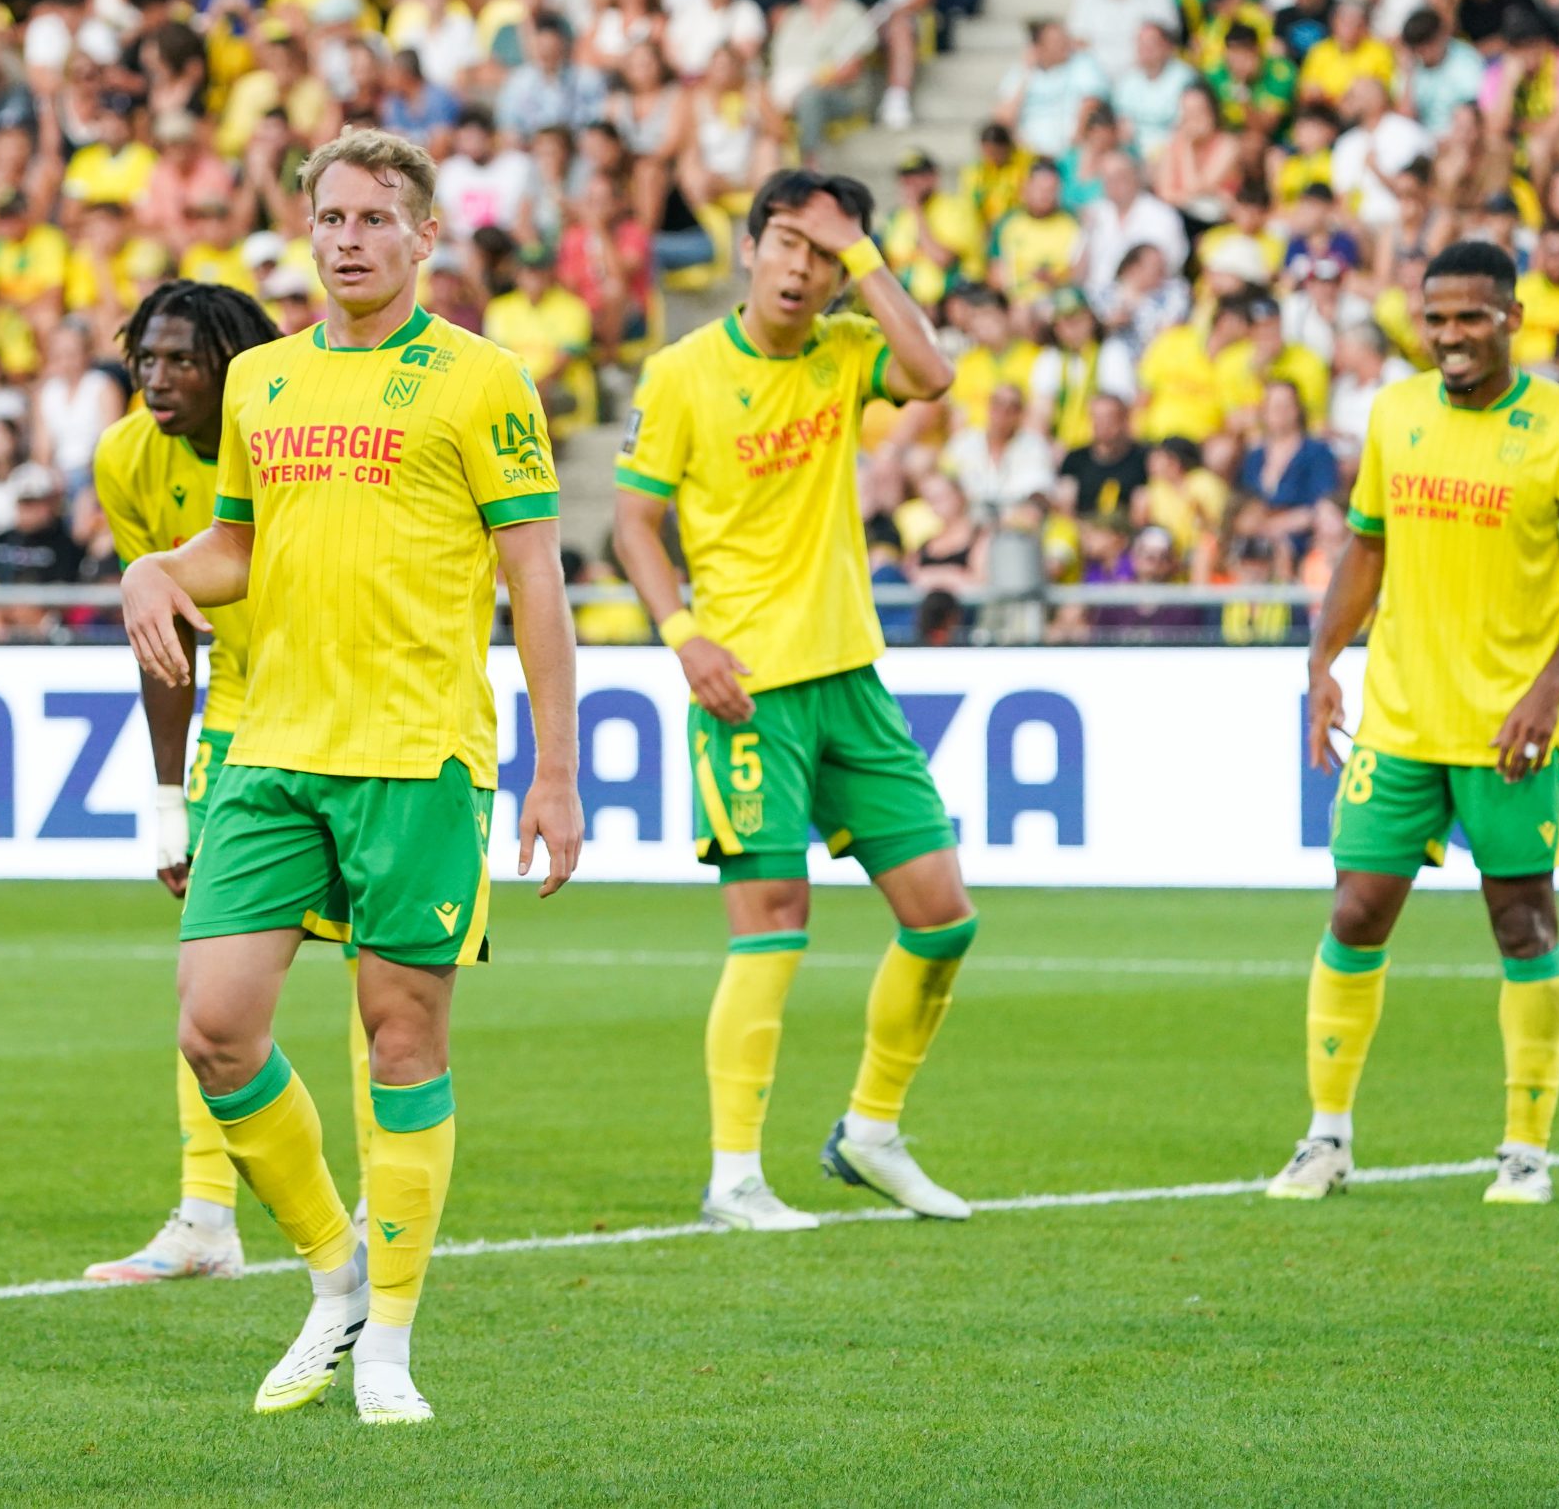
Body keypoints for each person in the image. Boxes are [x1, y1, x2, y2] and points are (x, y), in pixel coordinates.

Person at [119, 128, 582, 1425]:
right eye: (329, 216)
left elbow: (535, 573)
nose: (348, 238)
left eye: (376, 217)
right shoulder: (261, 381)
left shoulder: (482, 380)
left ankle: (390, 1343)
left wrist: (557, 770)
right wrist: (157, 569)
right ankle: (336, 1273)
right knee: (214, 1024)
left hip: (418, 754)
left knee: (401, 1039)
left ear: (424, 236)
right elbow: (236, 547)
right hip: (271, 753)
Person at [609, 168, 979, 1232]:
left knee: (942, 917)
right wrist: (682, 635)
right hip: (747, 689)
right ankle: (733, 1173)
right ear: (749, 248)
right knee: (772, 923)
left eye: (821, 253)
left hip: (849, 677)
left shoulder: (846, 349)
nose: (798, 267)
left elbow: (934, 371)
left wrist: (861, 254)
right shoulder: (681, 372)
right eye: (785, 241)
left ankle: (870, 1130)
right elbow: (635, 520)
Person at [82, 279, 374, 1286]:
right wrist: (166, 798)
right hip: (243, 726)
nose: (156, 382)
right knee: (206, 976)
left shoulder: (298, 425)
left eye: (181, 362)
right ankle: (206, 1213)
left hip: (356, 714)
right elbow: (161, 636)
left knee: (378, 972)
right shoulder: (125, 456)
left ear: (237, 365)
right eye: (143, 362)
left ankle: (387, 1200)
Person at [1281, 237, 1559, 1210]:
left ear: (1512, 320)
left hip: (1507, 730)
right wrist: (1323, 661)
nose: (1449, 335)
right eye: (1435, 316)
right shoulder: (1394, 410)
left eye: (1470, 317)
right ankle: (1325, 1136)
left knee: (1522, 919)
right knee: (1355, 909)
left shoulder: (1558, 427)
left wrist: (1547, 691)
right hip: (1398, 718)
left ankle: (1524, 1149)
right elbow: (1365, 545)